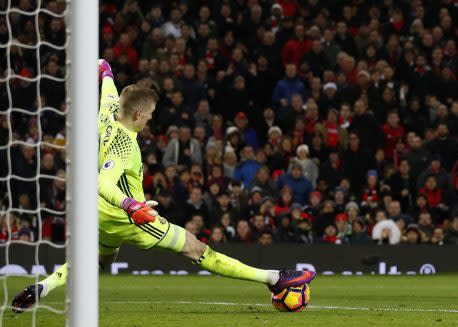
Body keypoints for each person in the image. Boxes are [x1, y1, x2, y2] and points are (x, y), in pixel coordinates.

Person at [11, 60, 315, 313]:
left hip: (95, 215)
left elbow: (107, 85)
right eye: (151, 115)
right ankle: (275, 279)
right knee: (198, 249)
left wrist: (104, 69)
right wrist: (131, 206)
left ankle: (45, 285)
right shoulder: (123, 145)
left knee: (99, 261)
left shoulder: (107, 111)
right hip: (127, 216)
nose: (151, 120)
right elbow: (102, 181)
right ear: (139, 114)